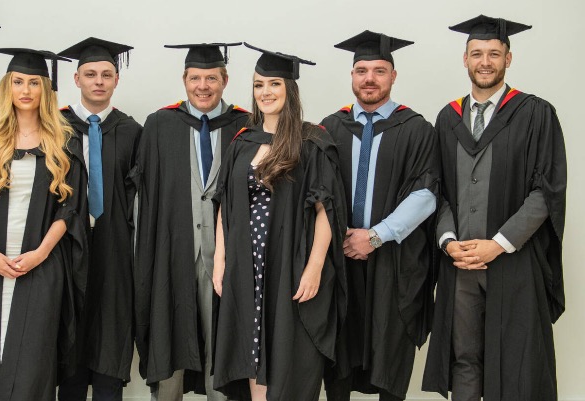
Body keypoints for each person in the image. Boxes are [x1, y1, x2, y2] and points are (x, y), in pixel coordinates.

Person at [422, 15, 567, 401]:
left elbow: (546, 191)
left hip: (513, 262)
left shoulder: (535, 113)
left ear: (508, 59)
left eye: (493, 54)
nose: (485, 62)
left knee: (516, 362)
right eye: (477, 54)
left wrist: (499, 243)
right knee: (464, 360)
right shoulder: (447, 118)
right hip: (460, 265)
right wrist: (448, 240)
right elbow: (436, 190)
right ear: (465, 59)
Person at [212, 43, 347, 401]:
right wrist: (220, 260)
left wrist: (314, 268)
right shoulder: (242, 141)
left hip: (290, 262)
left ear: (290, 90)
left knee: (289, 348)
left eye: (274, 84)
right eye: (259, 85)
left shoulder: (311, 141)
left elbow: (325, 210)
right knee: (251, 346)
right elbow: (226, 204)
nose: (265, 92)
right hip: (246, 264)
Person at [0, 48, 88, 401]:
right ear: (7, 87)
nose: (25, 90)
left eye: (34, 83)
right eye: (18, 82)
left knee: (31, 365)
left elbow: (69, 210)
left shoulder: (65, 142)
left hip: (40, 266)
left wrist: (40, 254)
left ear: (45, 90)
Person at [320, 31, 439, 401]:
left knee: (390, 355)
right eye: (361, 71)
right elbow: (317, 193)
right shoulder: (330, 127)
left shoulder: (416, 128)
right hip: (340, 260)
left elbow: (425, 195)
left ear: (393, 76)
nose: (369, 78)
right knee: (338, 356)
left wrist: (374, 236)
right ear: (352, 76)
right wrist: (341, 236)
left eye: (379, 71)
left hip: (394, 261)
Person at [134, 42, 249, 401]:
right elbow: (146, 195)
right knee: (170, 335)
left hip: (229, 257)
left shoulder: (246, 125)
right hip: (173, 252)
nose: (203, 86)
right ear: (184, 80)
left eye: (211, 78)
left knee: (224, 342)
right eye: (195, 78)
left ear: (225, 80)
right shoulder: (159, 125)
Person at [55, 37, 142, 401]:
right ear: (76, 79)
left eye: (107, 74)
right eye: (90, 74)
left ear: (116, 80)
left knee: (111, 326)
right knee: (69, 330)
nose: (99, 81)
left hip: (114, 246)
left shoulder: (132, 130)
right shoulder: (55, 127)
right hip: (64, 244)